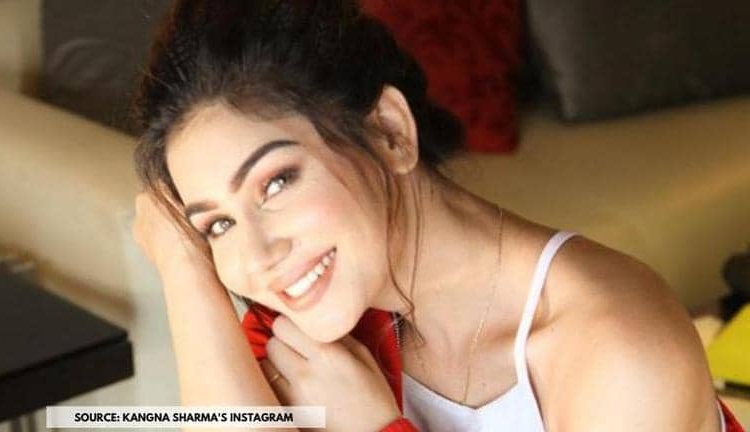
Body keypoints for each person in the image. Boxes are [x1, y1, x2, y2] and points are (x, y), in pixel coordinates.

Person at [131, 1, 743, 431]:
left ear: (389, 132)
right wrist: (186, 273)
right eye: (217, 224)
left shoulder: (619, 347)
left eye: (277, 182)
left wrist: (378, 428)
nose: (259, 257)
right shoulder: (320, 306)